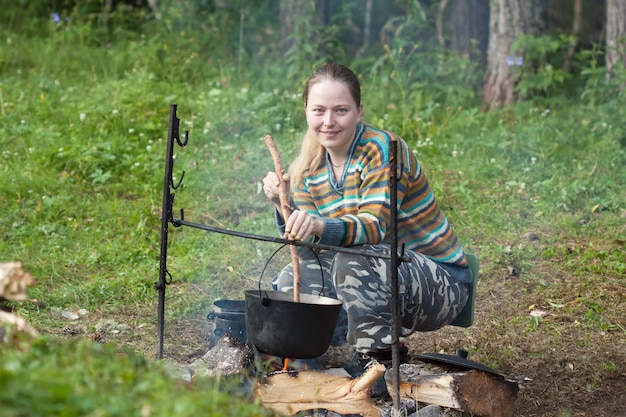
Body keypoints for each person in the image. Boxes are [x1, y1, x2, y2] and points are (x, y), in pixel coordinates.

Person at [262, 63, 472, 364]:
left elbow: (373, 227)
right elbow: (311, 255)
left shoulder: (383, 149)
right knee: (289, 282)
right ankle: (305, 363)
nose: (329, 121)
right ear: (306, 110)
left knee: (353, 263)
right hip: (374, 271)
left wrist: (319, 224)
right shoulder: (307, 168)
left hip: (438, 282)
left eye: (341, 110)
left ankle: (381, 361)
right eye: (319, 110)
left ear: (359, 111)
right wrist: (283, 205)